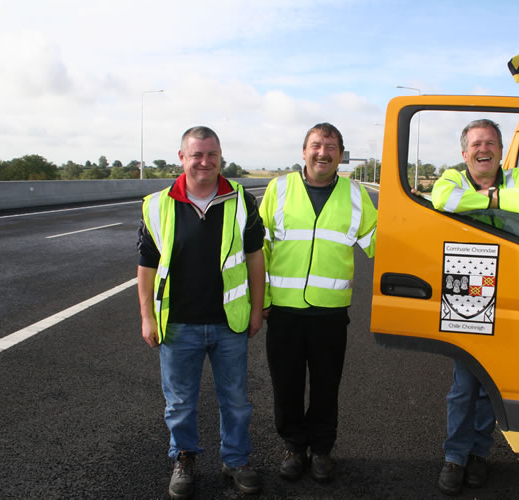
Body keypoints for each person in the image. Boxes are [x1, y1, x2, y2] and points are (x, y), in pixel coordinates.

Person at [137, 126, 265, 498]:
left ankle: (236, 460)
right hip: (177, 324)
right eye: (196, 154)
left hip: (230, 322)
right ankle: (184, 459)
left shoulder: (241, 202)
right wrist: (146, 317)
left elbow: (256, 259)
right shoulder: (157, 205)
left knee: (236, 400)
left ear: (220, 157)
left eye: (211, 154)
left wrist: (258, 309)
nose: (204, 161)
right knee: (179, 403)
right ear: (182, 157)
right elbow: (146, 266)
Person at [429, 119, 519, 495]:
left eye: (491, 143)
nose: (484, 149)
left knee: (489, 386)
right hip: (466, 287)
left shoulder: (518, 178)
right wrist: (496, 200)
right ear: (464, 153)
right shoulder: (452, 179)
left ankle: (479, 454)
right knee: (464, 385)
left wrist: (494, 197)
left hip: (512, 289)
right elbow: (442, 201)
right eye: (476, 144)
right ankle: (455, 456)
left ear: (502, 150)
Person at [259, 122, 377, 482]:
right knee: (286, 386)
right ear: (304, 151)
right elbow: (259, 249)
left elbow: (383, 246)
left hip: (329, 313)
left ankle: (322, 450)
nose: (322, 152)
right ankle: (294, 447)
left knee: (327, 386)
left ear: (341, 155)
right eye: (315, 145)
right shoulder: (277, 189)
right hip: (283, 311)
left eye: (330, 146)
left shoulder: (357, 196)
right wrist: (261, 298)